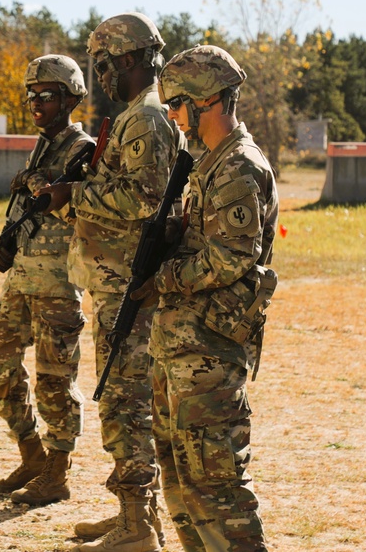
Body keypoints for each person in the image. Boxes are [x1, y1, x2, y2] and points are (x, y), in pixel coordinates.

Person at [38, 13, 183, 552]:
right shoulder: (135, 116)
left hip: (127, 286)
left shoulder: (146, 119)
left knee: (126, 403)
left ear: (126, 60)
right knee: (123, 400)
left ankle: (138, 526)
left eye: (102, 65)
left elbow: (142, 198)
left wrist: (71, 196)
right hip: (114, 279)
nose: (99, 77)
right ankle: (134, 513)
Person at [132, 45, 278, 551]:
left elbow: (230, 259)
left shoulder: (238, 167)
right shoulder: (206, 165)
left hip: (210, 352)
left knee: (218, 491)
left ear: (208, 100)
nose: (171, 115)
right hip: (180, 347)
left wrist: (163, 278)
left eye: (176, 104)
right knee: (182, 488)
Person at [0, 55, 95, 506]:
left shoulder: (82, 150)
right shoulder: (42, 147)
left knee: (54, 381)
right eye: (32, 95)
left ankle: (57, 473)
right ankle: (31, 453)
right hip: (23, 280)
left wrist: (36, 182)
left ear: (70, 98)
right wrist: (8, 245)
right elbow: (29, 208)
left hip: (58, 287)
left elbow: (77, 204)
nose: (36, 103)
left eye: (47, 95)